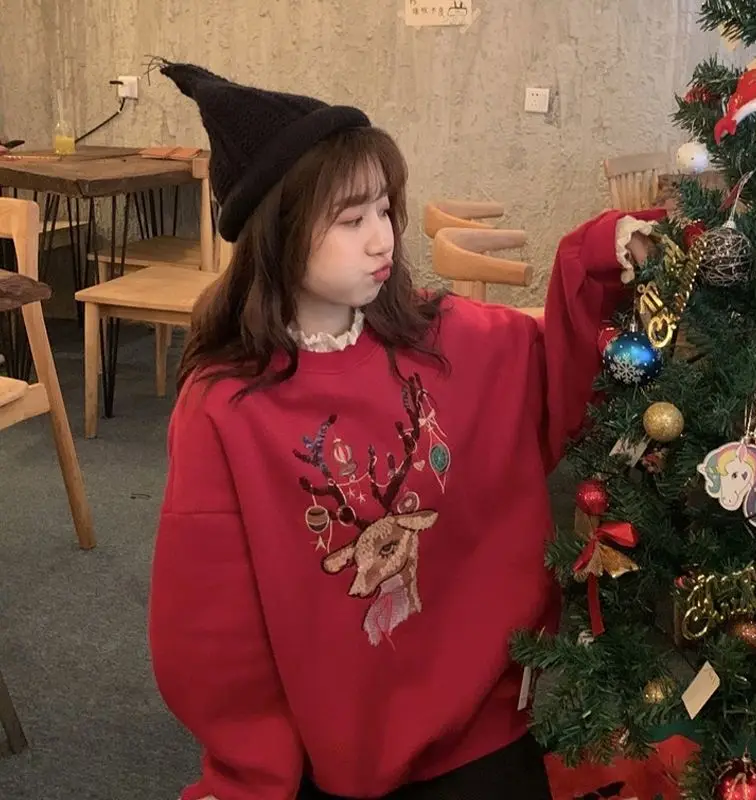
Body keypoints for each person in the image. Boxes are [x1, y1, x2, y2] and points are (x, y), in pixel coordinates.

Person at [148, 61, 664, 800]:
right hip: (331, 754)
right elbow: (209, 631)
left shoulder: (444, 338)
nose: (382, 239)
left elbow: (554, 374)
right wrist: (254, 769)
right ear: (278, 233)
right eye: (351, 220)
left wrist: (598, 255)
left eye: (385, 209)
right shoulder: (225, 406)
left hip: (477, 727)